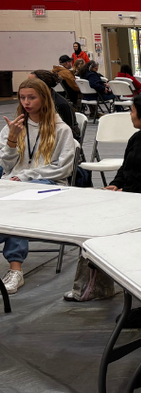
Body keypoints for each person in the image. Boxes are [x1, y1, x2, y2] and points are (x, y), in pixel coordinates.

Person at [64, 91, 141, 303]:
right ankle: (95, 284)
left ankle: (97, 284)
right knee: (90, 220)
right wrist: (115, 184)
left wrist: (130, 191)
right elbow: (125, 169)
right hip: (129, 197)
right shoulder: (136, 138)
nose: (130, 115)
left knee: (102, 225)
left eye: (132, 111)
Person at [0, 77, 76, 295]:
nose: (26, 102)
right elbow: (6, 166)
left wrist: (27, 176)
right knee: (14, 202)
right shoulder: (13, 127)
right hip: (14, 183)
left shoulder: (61, 129)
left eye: (31, 97)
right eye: (22, 97)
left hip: (48, 184)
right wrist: (12, 141)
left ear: (44, 98)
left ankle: (16, 269)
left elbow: (63, 169)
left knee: (18, 206)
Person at [30, 70, 81, 142]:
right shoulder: (37, 101)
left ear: (43, 85)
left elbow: (68, 133)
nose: (27, 85)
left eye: (31, 83)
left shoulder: (60, 104)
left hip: (60, 141)